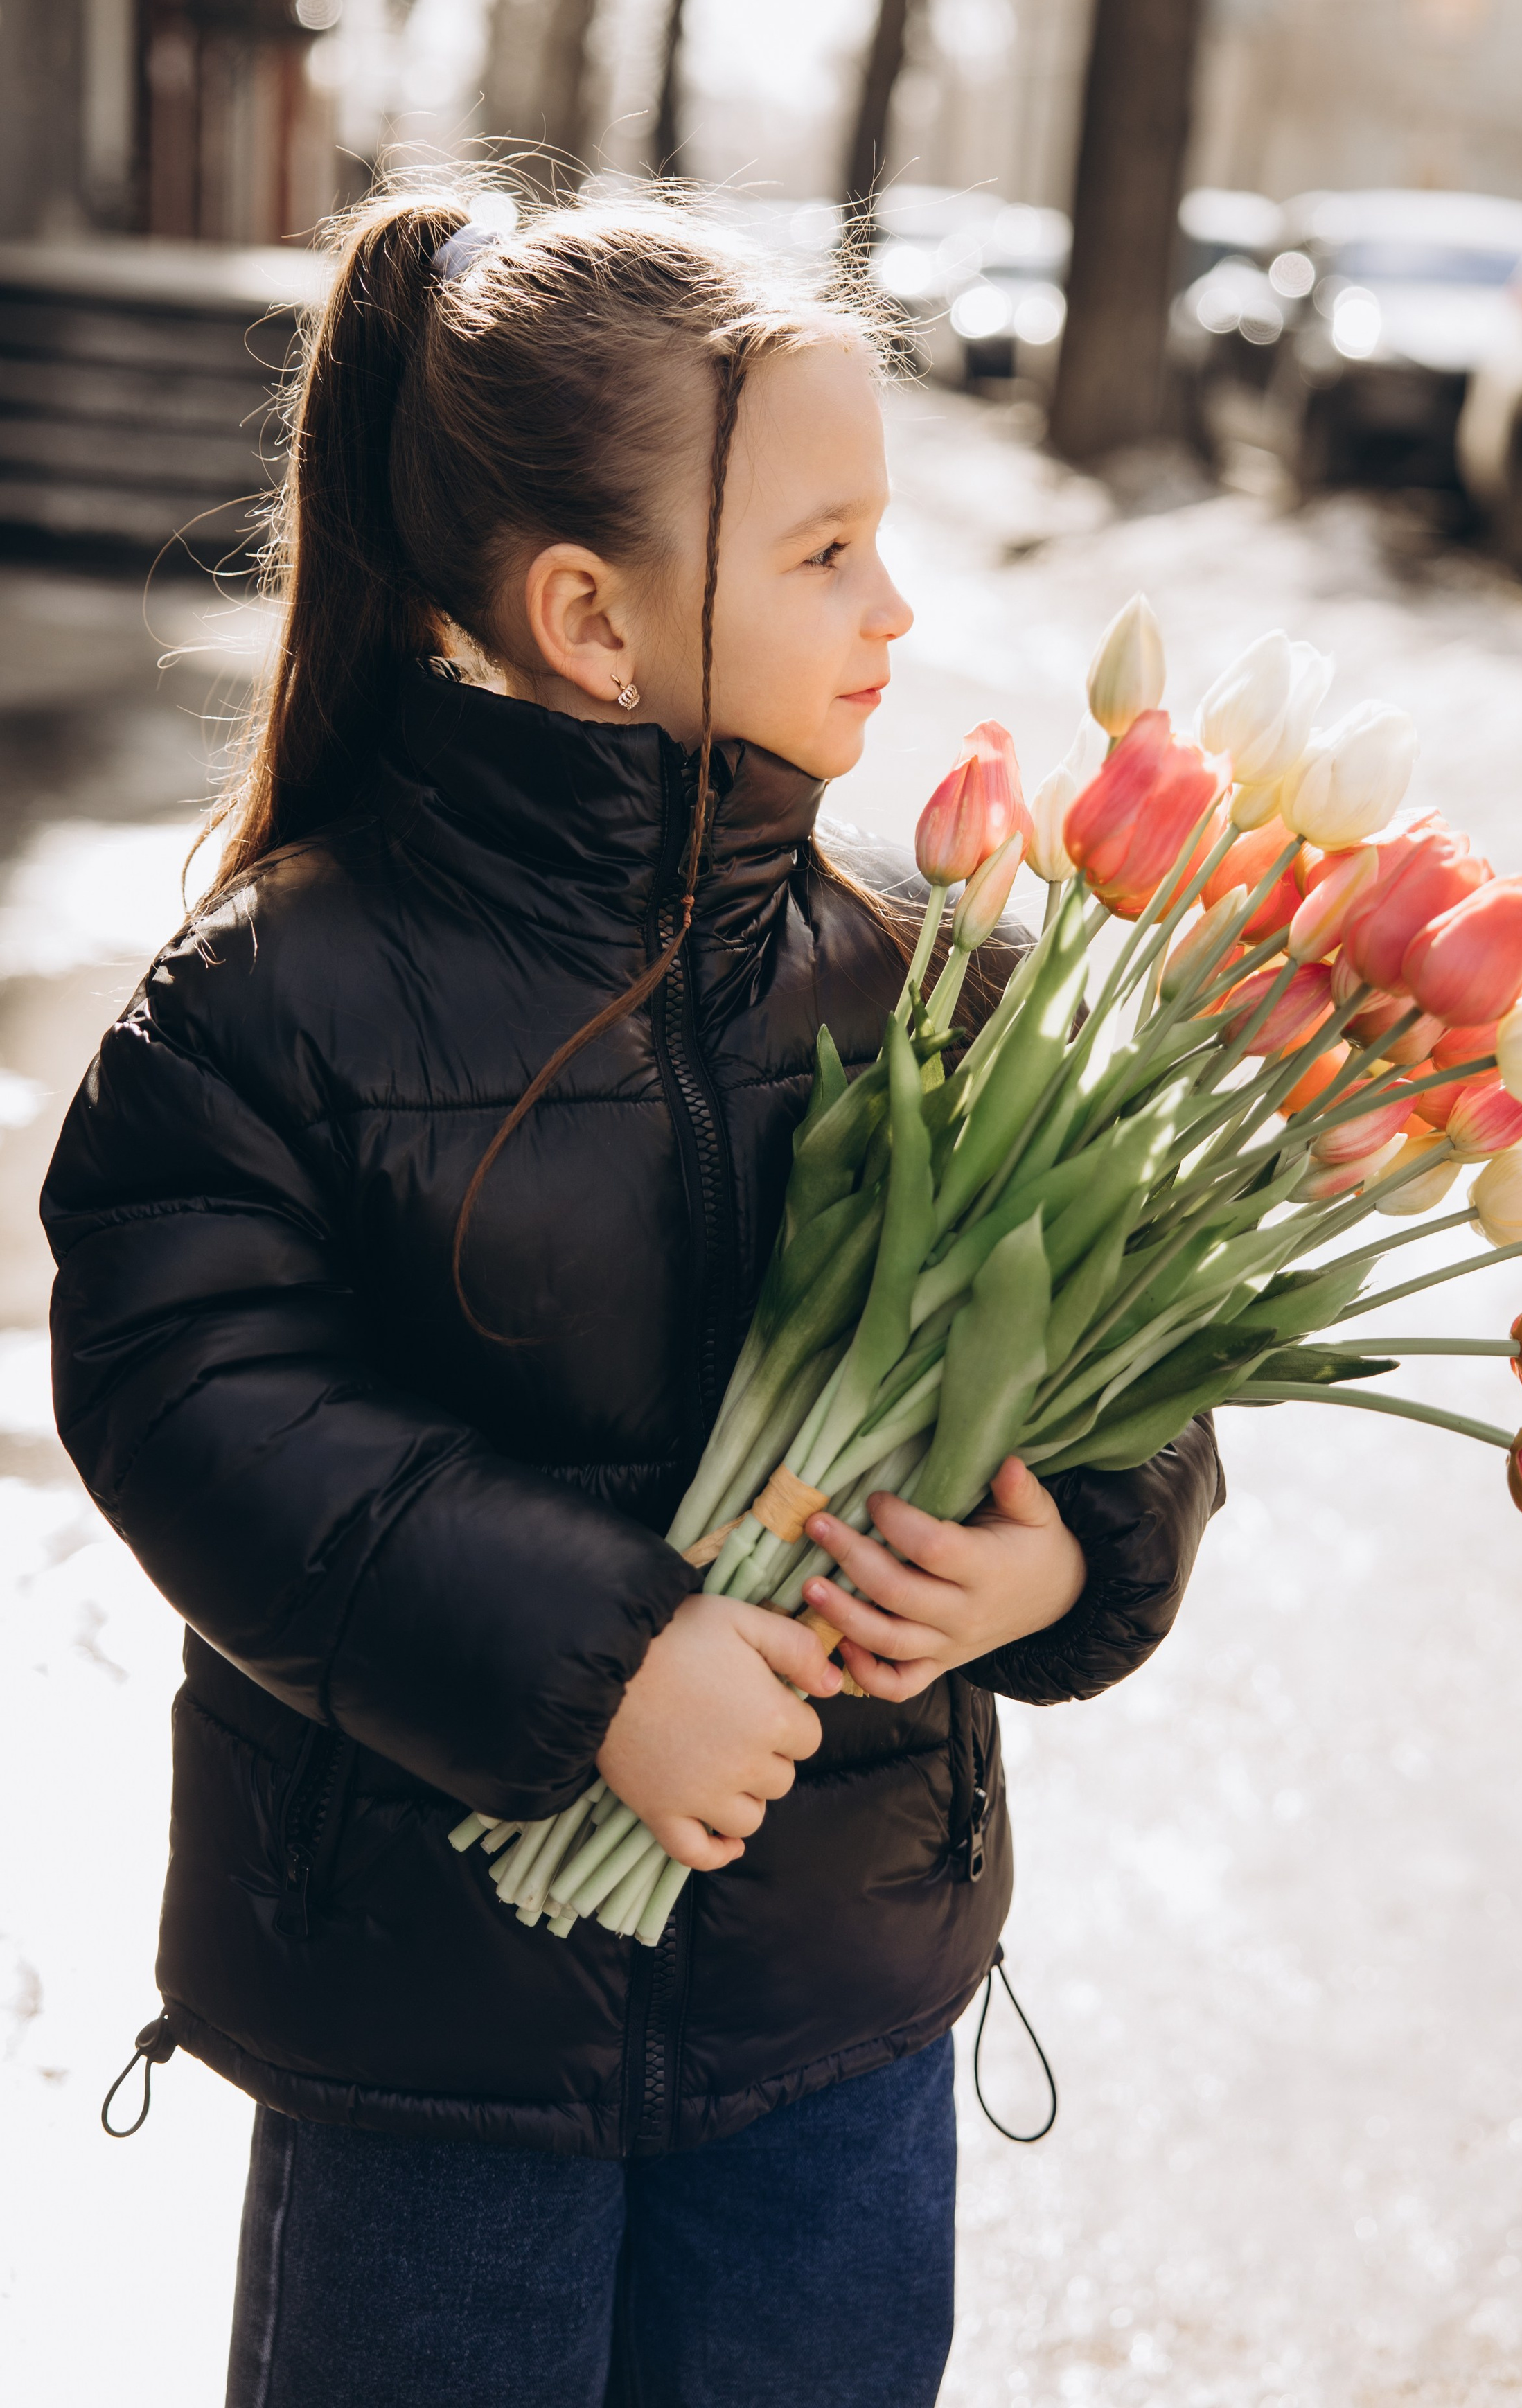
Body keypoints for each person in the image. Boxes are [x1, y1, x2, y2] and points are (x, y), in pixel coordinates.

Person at [42, 186, 1223, 2408]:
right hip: (435, 2049)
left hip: (832, 2020)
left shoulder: (911, 972)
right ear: (592, 615)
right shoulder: (276, 998)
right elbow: (189, 1393)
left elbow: (1120, 1345)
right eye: (824, 553)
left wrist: (1071, 1538)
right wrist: (604, 1665)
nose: (898, 605)